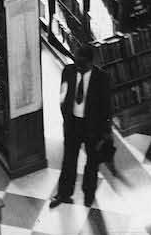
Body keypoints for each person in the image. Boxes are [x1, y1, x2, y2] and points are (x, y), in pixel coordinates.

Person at [50, 42, 113, 208]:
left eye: (82, 64)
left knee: (92, 163)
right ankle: (63, 194)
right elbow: (62, 97)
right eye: (76, 62)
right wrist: (66, 120)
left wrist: (105, 133)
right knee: (68, 160)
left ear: (91, 63)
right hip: (73, 125)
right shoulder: (68, 71)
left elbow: (107, 107)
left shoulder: (102, 78)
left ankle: (88, 195)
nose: (77, 67)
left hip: (92, 128)